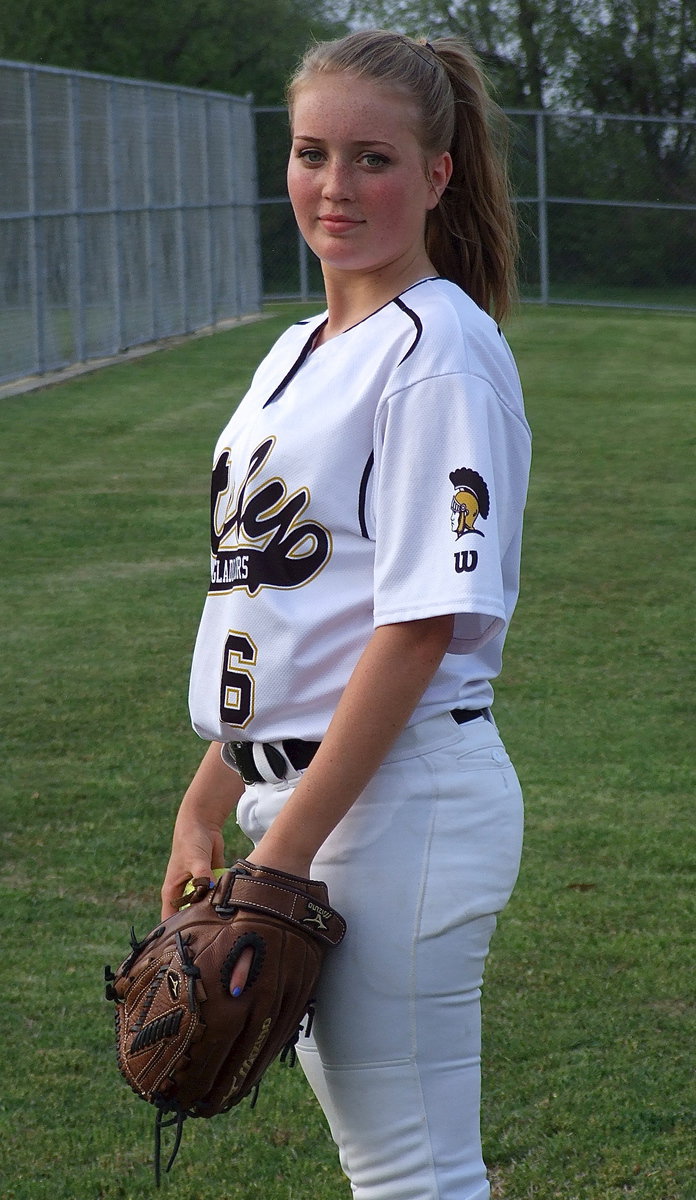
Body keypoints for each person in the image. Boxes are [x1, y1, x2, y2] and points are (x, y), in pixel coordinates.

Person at [161, 29, 531, 1200]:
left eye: (373, 158)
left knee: (414, 1175)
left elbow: (417, 628)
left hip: (394, 802)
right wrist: (208, 802)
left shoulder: (439, 354)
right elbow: (280, 603)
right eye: (313, 152)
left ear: (438, 173)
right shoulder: (295, 349)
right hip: (307, 795)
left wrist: (288, 847)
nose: (335, 185)